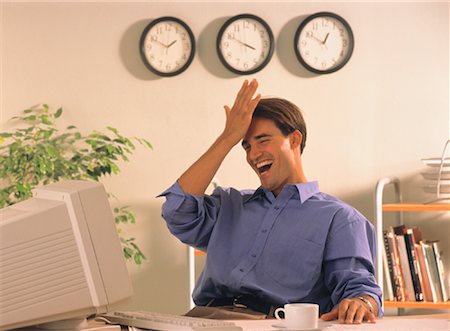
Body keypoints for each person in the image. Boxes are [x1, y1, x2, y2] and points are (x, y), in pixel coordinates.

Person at [159, 79, 382, 324]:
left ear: (295, 140)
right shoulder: (229, 205)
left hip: (272, 323)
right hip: (202, 319)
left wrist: (361, 302)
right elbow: (176, 211)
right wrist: (227, 138)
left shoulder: (339, 218)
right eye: (245, 146)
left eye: (263, 141)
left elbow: (360, 289)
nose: (253, 155)